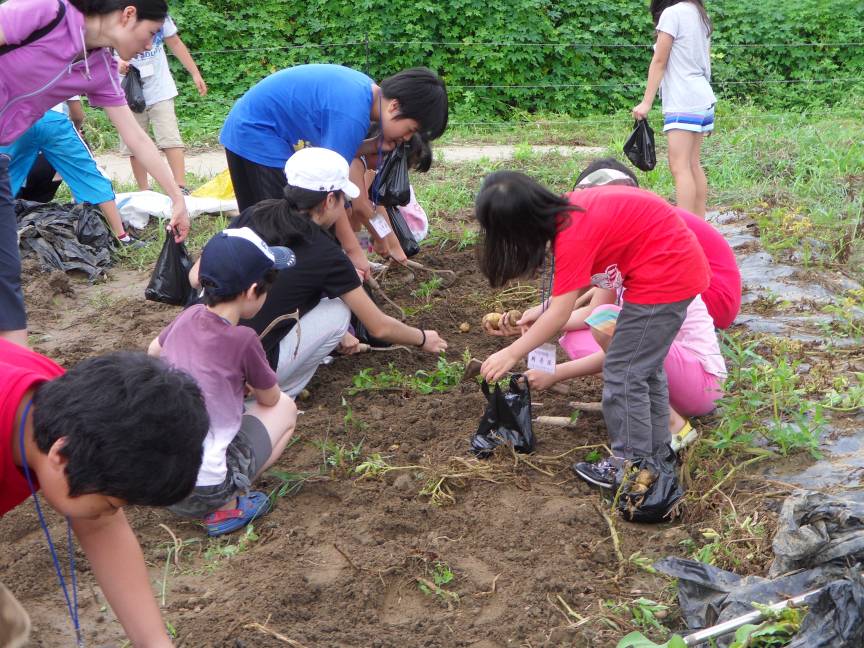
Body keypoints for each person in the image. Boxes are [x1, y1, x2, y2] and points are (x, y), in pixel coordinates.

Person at [475, 172, 710, 492]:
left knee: (624, 372)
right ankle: (656, 457)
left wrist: (512, 352)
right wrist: (538, 313)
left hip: (665, 276)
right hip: (670, 269)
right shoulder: (570, 213)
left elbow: (559, 315)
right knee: (643, 369)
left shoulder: (572, 232)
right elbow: (570, 292)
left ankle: (631, 466)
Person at [0, 0, 191, 347]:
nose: (150, 45)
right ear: (129, 14)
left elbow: (136, 136)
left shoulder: (100, 67)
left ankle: (17, 375)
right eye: (150, 34)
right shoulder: (48, 13)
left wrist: (177, 198)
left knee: (5, 274)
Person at [190, 147, 449, 398]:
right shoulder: (325, 252)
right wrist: (423, 337)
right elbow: (378, 327)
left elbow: (195, 276)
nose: (343, 209)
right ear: (328, 201)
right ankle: (279, 394)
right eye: (343, 201)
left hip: (193, 346)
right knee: (338, 309)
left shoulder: (255, 213)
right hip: (246, 369)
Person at [0, 339, 210, 646]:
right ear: (61, 455)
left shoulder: (68, 407)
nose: (110, 513)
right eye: (111, 503)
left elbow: (101, 526)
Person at [220, 64, 448, 279]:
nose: (406, 138)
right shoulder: (352, 114)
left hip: (251, 129)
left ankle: (262, 276)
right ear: (395, 106)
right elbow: (328, 188)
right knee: (276, 224)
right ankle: (269, 287)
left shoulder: (363, 93)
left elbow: (334, 154)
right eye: (410, 130)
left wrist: (371, 144)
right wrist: (353, 252)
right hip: (256, 134)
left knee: (268, 224)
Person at [149, 227, 298, 536]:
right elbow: (270, 399)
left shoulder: (189, 316)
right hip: (205, 489)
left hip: (162, 481)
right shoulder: (243, 339)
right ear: (252, 290)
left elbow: (154, 351)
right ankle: (229, 503)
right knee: (286, 408)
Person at [572, 158, 741, 328]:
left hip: (708, 302)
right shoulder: (645, 213)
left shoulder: (629, 226)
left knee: (594, 331)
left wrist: (553, 319)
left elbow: (596, 310)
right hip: (717, 299)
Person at [3, 101, 142, 246]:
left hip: (16, 120)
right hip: (53, 120)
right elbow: (77, 114)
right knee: (89, 176)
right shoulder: (61, 76)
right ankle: (121, 236)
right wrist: (73, 132)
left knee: (5, 175)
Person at [632, 0, 715, 218]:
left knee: (680, 167)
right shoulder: (700, 14)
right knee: (693, 164)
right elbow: (706, 60)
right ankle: (700, 226)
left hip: (683, 98)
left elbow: (660, 61)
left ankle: (687, 229)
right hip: (701, 95)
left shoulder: (672, 14)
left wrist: (646, 102)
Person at [118, 14, 207, 193]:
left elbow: (174, 42)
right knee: (134, 143)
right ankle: (144, 191)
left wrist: (195, 73)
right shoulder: (114, 15)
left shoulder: (159, 13)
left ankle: (180, 187)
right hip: (126, 90)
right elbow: (101, 50)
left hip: (160, 89)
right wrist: (116, 62)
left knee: (170, 138)